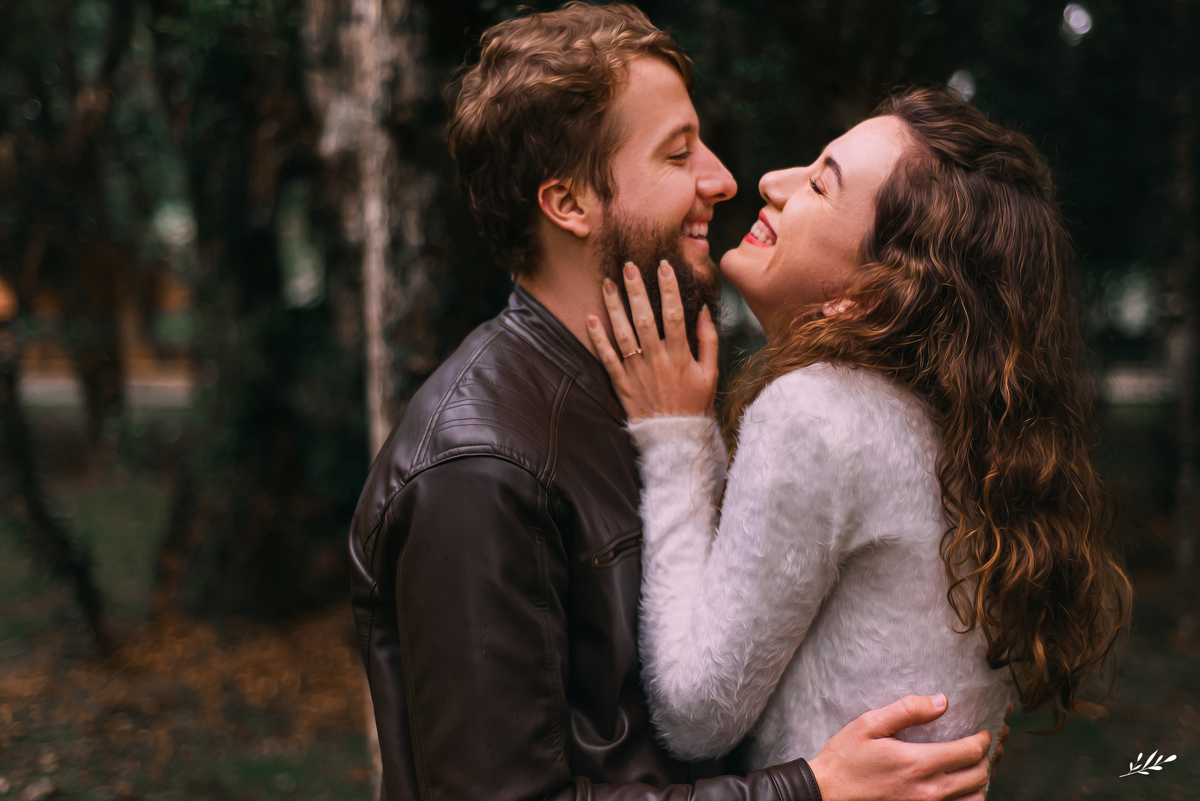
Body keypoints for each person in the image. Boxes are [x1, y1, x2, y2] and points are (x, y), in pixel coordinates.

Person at [349, 5, 999, 800]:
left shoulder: (657, 395)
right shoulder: (479, 463)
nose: (725, 179)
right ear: (571, 204)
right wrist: (806, 790)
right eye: (678, 152)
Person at [587, 88, 1132, 792]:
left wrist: (673, 436)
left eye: (819, 182)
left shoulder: (817, 414)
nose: (771, 184)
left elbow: (696, 713)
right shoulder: (958, 424)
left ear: (870, 294)